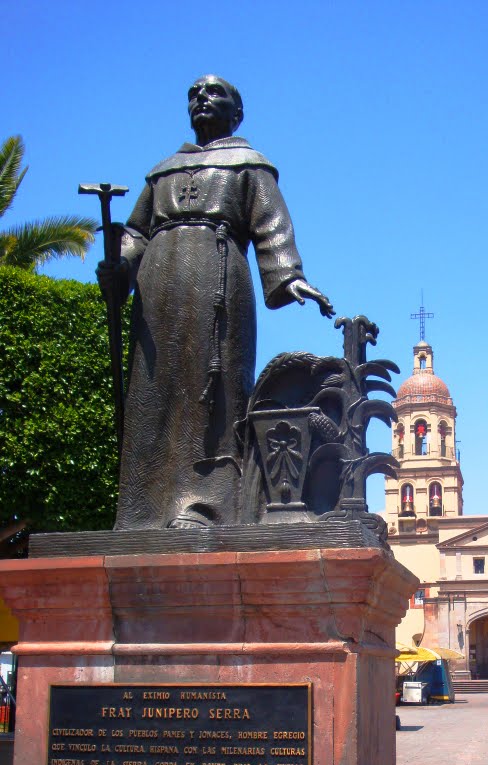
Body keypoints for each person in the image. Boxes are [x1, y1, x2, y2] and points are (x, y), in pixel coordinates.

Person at [98, 76, 334, 530]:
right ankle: (140, 514)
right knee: (152, 393)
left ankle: (204, 508)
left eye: (214, 93)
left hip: (218, 284)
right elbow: (136, 233)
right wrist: (122, 267)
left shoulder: (249, 166)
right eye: (193, 94)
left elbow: (272, 228)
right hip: (158, 288)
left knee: (215, 395)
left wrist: (290, 278)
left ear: (236, 113)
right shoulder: (163, 171)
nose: (201, 99)